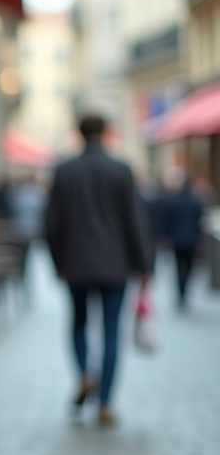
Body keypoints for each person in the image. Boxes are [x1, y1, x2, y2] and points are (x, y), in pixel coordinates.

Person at [45, 115, 151, 427]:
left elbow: (52, 223)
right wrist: (145, 265)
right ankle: (105, 402)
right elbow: (136, 221)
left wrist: (57, 262)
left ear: (78, 134)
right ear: (105, 133)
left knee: (78, 323)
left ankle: (84, 375)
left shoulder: (65, 171)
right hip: (115, 266)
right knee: (111, 331)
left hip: (75, 264)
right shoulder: (121, 170)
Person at [159, 167, 205, 309]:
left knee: (180, 266)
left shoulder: (173, 201)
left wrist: (165, 236)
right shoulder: (196, 202)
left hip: (177, 239)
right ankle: (184, 291)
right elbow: (200, 222)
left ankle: (181, 292)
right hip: (191, 239)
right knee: (189, 266)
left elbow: (167, 220)